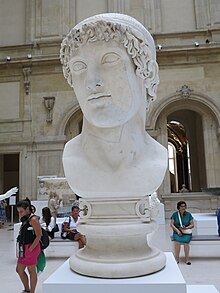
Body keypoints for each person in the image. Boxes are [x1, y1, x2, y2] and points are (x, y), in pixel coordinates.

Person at [60, 13, 168, 199]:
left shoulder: (157, 159)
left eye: (110, 60)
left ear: (147, 72)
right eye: (79, 66)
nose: (92, 82)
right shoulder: (72, 159)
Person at [16, 197, 42, 293]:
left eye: (21, 211)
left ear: (27, 209)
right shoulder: (25, 219)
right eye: (18, 212)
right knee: (19, 269)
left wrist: (31, 248)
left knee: (31, 270)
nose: (20, 214)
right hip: (24, 248)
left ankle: (32, 291)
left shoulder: (33, 219)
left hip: (32, 247)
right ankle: (27, 289)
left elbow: (39, 235)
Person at [170, 201, 194, 265]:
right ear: (178, 207)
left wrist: (186, 228)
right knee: (177, 243)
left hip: (186, 232)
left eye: (184, 206)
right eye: (182, 206)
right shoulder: (175, 214)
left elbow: (192, 225)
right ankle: (177, 259)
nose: (183, 207)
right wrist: (177, 231)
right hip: (177, 232)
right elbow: (171, 224)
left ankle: (187, 259)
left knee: (186, 243)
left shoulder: (188, 214)